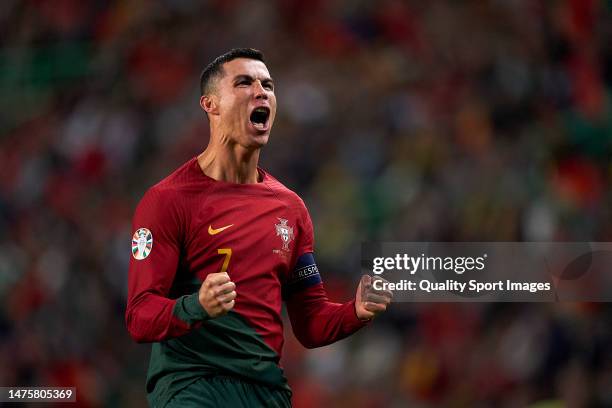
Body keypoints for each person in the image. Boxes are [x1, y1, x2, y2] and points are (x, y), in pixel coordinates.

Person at [126, 48, 393, 407]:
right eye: (244, 82)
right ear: (211, 104)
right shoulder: (167, 201)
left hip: (265, 392)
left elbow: (310, 322)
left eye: (267, 84)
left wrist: (354, 311)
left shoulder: (290, 208)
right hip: (192, 385)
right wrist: (195, 306)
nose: (261, 91)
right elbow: (139, 315)